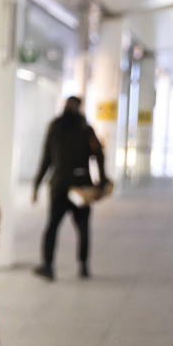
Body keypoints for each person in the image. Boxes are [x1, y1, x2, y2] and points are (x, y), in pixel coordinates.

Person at [32, 96, 109, 279]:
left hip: (60, 186)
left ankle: (48, 266)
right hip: (80, 188)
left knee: (52, 227)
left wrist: (37, 184)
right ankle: (83, 266)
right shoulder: (85, 129)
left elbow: (46, 159)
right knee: (82, 227)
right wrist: (102, 180)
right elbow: (99, 155)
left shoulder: (56, 127)